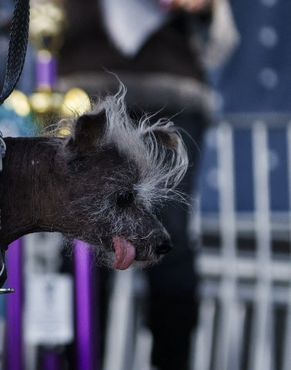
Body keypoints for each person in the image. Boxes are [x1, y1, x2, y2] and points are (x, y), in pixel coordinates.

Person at [55, 0, 238, 369]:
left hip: (170, 91)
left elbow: (217, 28)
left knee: (169, 241)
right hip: (86, 86)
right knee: (80, 243)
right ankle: (76, 360)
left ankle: (173, 361)